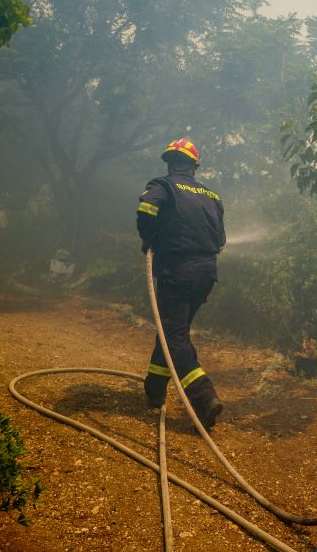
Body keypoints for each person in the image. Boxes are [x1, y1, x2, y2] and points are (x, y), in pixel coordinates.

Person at [136, 138, 226, 430]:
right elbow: (221, 239)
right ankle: (155, 389)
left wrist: (149, 239)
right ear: (194, 167)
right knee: (174, 331)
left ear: (170, 163)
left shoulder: (163, 186)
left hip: (177, 271)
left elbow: (146, 210)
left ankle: (204, 396)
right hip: (206, 273)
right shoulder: (212, 196)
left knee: (175, 338)